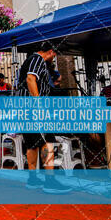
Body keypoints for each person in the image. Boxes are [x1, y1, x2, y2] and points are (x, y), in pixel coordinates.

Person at [18, 41, 72, 194]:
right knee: (48, 141)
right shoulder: (37, 60)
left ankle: (33, 179)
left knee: (32, 143)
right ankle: (50, 181)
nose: (54, 56)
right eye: (54, 53)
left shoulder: (31, 59)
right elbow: (30, 79)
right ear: (50, 51)